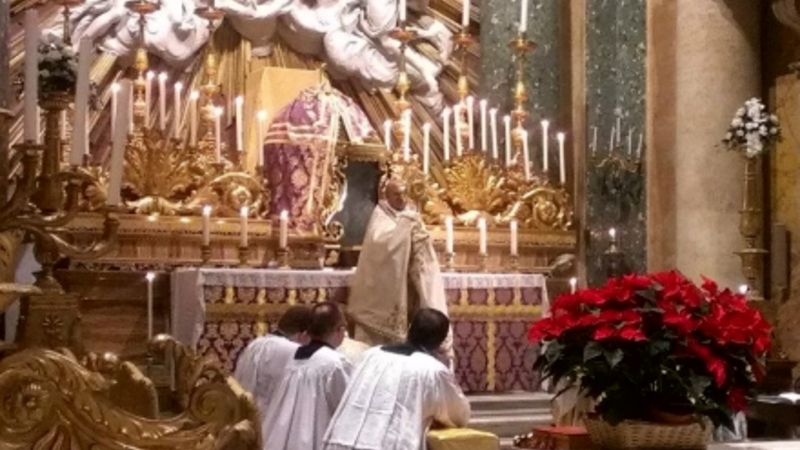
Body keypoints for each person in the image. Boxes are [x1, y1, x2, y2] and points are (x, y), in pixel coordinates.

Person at [321, 308, 471, 450]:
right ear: (441, 342)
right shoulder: (432, 370)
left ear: (409, 328)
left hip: (343, 441)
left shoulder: (370, 355)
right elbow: (459, 414)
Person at [348, 179, 450, 350]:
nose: (402, 198)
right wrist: (406, 227)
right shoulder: (381, 216)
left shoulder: (411, 216)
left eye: (404, 194)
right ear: (387, 197)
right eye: (396, 194)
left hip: (409, 286)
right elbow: (380, 243)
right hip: (385, 290)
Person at [262, 302, 353, 450]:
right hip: (317, 438)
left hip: (285, 435)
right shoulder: (334, 363)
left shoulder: (295, 358)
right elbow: (346, 405)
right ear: (340, 330)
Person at [233, 306, 312, 411]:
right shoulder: (294, 351)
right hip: (271, 418)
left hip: (242, 414)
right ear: (303, 335)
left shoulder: (254, 344)